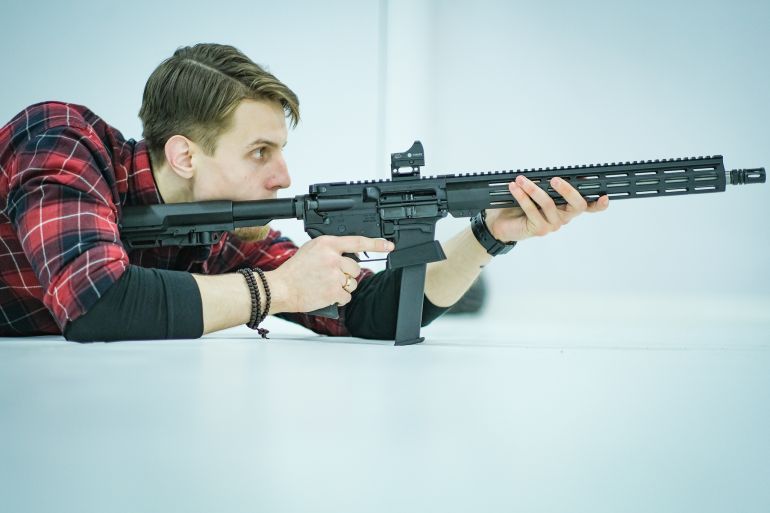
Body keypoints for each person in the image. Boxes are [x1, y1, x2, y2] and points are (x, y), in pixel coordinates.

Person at [0, 43, 609, 342]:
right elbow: (98, 304)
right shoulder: (60, 138)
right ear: (185, 153)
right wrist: (280, 290)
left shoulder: (219, 238)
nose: (284, 177)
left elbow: (373, 312)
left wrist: (487, 234)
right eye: (260, 153)